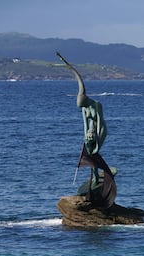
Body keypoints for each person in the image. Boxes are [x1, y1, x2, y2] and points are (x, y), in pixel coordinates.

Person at [56, 52, 116, 208]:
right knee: (90, 157)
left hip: (99, 131)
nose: (82, 108)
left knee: (94, 154)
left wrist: (94, 138)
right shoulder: (84, 109)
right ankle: (95, 178)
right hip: (89, 134)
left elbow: (99, 123)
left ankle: (99, 177)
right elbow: (85, 123)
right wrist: (86, 138)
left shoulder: (96, 105)